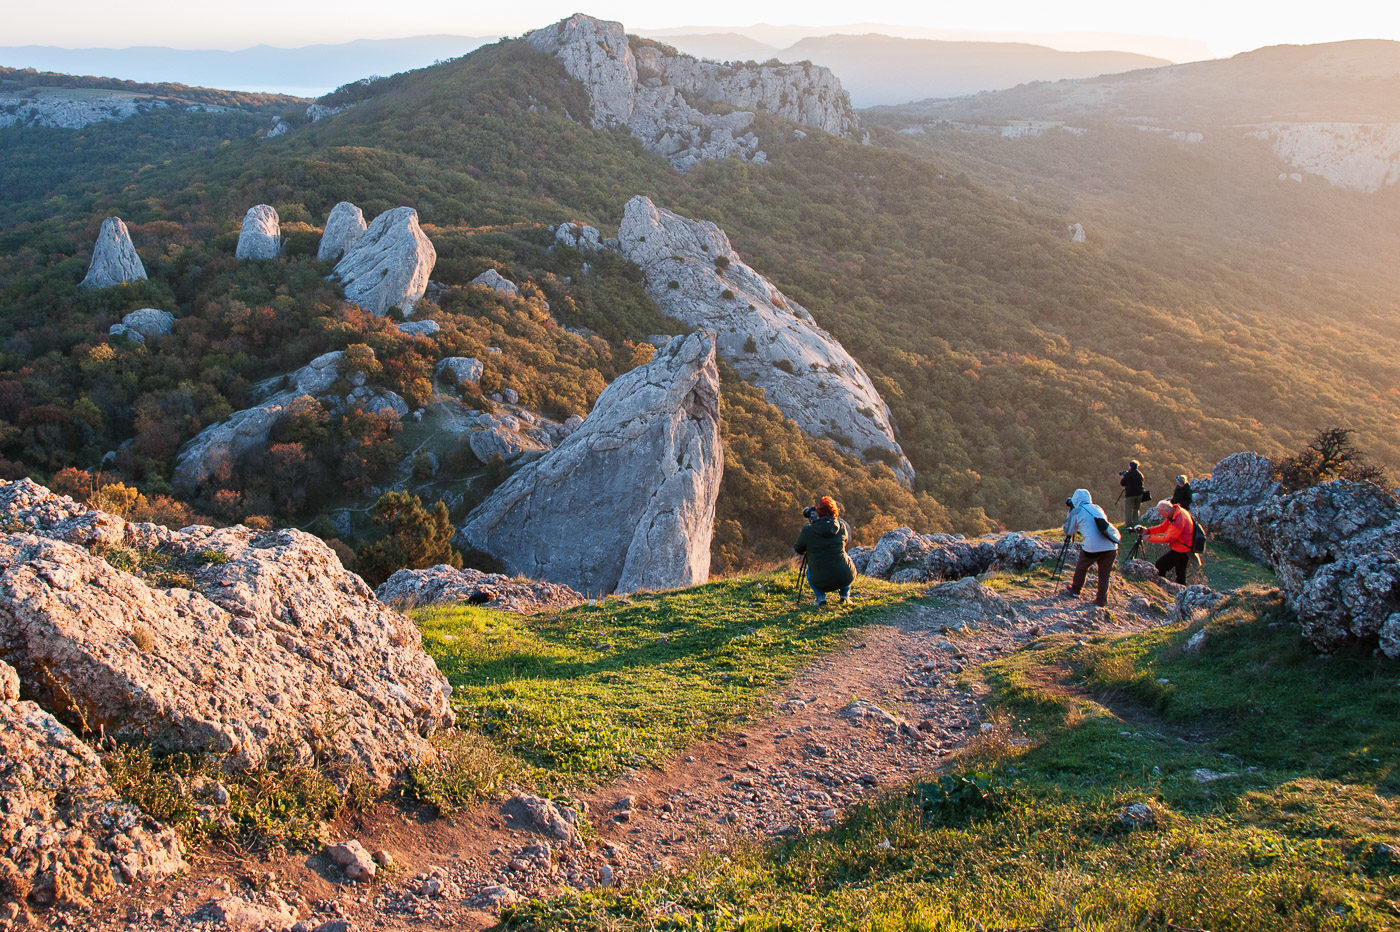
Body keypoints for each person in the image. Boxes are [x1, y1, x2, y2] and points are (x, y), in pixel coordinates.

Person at [794, 496, 856, 607]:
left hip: (821, 580)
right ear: (835, 512)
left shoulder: (808, 530)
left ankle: (821, 599)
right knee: (846, 559)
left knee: (809, 570)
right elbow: (845, 541)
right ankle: (845, 596)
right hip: (844, 576)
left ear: (819, 513)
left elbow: (798, 549)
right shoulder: (841, 527)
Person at [1062, 489, 1120, 607]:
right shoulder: (1097, 508)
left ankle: (1076, 590)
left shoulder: (1076, 511)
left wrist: (1070, 513)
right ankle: (1101, 601)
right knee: (1104, 574)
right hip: (1111, 545)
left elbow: (1069, 531)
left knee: (1082, 567)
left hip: (1093, 546)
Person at [1136, 499, 1195, 585]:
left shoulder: (1179, 519)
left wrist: (1150, 538)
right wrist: (1148, 531)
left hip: (1181, 548)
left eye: (1162, 513)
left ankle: (1161, 586)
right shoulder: (1174, 513)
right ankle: (1181, 591)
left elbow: (1168, 539)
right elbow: (1163, 527)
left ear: (1166, 510)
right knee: (1180, 574)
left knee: (1160, 565)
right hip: (1184, 547)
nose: (1161, 515)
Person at [1119, 460, 1147, 527]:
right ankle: (1136, 523)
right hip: (1139, 494)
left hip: (1130, 495)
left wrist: (1123, 477)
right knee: (1136, 509)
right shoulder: (1140, 474)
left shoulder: (1128, 474)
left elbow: (1122, 483)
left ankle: (1128, 524)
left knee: (1128, 509)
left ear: (1130, 466)